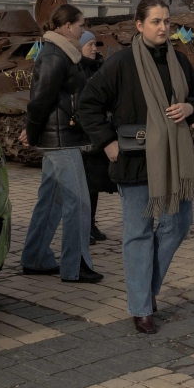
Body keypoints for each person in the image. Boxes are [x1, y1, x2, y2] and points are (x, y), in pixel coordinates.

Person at [79, 0, 194, 334]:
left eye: (167, 21)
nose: (163, 27)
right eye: (155, 21)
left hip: (173, 161)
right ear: (139, 25)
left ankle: (145, 289)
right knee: (137, 234)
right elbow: (88, 103)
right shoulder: (122, 63)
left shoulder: (179, 61)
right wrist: (106, 142)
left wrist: (191, 109)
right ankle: (141, 306)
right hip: (135, 161)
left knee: (179, 223)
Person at [19, 4, 103, 283]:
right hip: (60, 140)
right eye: (80, 25)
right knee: (78, 202)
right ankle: (75, 265)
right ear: (67, 26)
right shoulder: (56, 55)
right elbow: (40, 100)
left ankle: (36, 257)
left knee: (51, 200)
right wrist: (31, 133)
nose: (82, 30)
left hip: (58, 137)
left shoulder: (63, 54)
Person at [79, 30, 116, 244]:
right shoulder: (77, 69)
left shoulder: (100, 67)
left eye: (95, 44)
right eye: (90, 45)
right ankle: (83, 225)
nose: (94, 49)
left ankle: (91, 223)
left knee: (94, 183)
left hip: (97, 132)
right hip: (81, 134)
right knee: (83, 184)